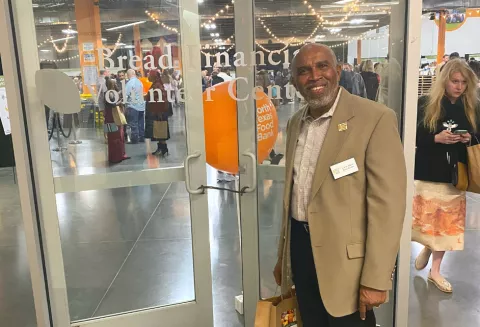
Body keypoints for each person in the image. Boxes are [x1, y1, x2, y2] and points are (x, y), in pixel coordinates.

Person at [273, 44, 406, 327]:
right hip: (300, 249)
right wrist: (284, 259)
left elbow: (388, 207)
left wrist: (377, 277)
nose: (315, 76)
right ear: (295, 82)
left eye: (322, 66)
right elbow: (294, 195)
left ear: (337, 71)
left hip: (348, 264)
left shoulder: (374, 118)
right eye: (304, 71)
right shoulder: (296, 123)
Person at [412, 59, 479, 293]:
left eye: (463, 82)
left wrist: (469, 138)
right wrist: (435, 139)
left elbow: (478, 135)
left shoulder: (472, 106)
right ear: (445, 80)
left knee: (447, 225)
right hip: (429, 170)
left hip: (457, 173)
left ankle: (436, 271)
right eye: (454, 81)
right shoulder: (425, 104)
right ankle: (428, 246)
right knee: (427, 220)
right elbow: (412, 135)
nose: (459, 86)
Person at [144, 70, 170, 156]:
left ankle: (163, 148)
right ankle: (162, 148)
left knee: (160, 130)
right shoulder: (158, 83)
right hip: (158, 111)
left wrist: (159, 112)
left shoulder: (157, 85)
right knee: (159, 130)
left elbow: (160, 99)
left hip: (158, 112)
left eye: (149, 75)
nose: (148, 77)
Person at [103, 77, 129, 163]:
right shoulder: (109, 93)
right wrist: (120, 102)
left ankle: (119, 155)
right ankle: (118, 156)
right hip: (113, 118)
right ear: (111, 84)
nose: (116, 84)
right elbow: (113, 105)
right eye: (114, 83)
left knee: (117, 136)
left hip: (112, 117)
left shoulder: (109, 93)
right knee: (116, 137)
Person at [125, 69, 146, 143]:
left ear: (128, 75)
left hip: (133, 106)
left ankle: (134, 139)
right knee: (141, 122)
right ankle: (142, 137)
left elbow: (126, 94)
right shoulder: (139, 82)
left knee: (133, 123)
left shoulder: (130, 83)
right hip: (141, 105)